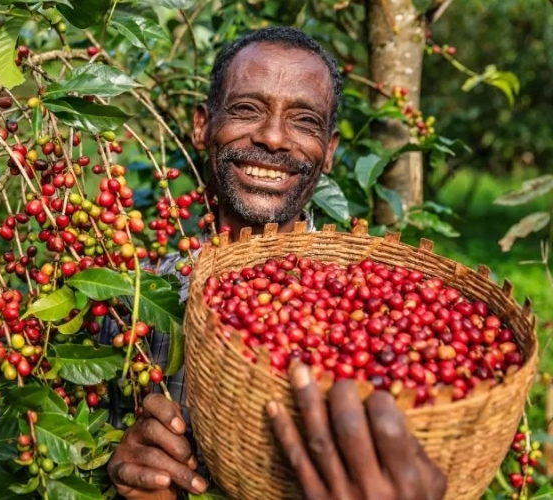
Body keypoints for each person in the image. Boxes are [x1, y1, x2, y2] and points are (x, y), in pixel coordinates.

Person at [103, 27, 448, 500]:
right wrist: (123, 474)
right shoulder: (130, 307)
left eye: (304, 121)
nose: (272, 138)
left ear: (329, 152)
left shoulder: (372, 310)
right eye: (247, 109)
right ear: (202, 125)